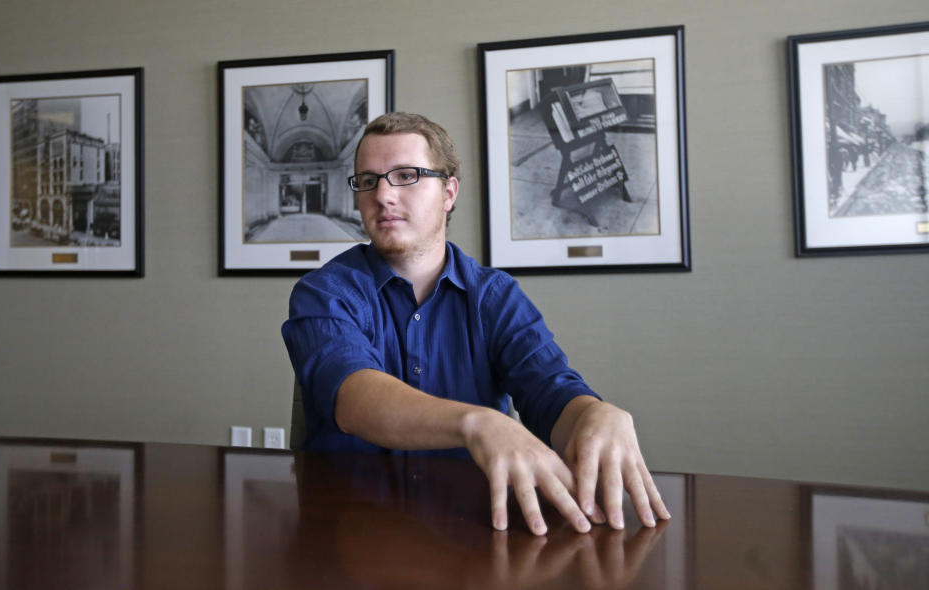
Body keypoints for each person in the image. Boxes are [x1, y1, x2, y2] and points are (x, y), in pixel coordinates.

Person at [283, 112, 669, 536]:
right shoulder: (323, 291)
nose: (384, 195)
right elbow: (353, 394)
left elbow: (550, 390)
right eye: (369, 180)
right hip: (344, 528)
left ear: (448, 192)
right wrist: (476, 423)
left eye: (406, 175)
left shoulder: (497, 296)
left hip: (471, 530)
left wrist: (594, 413)